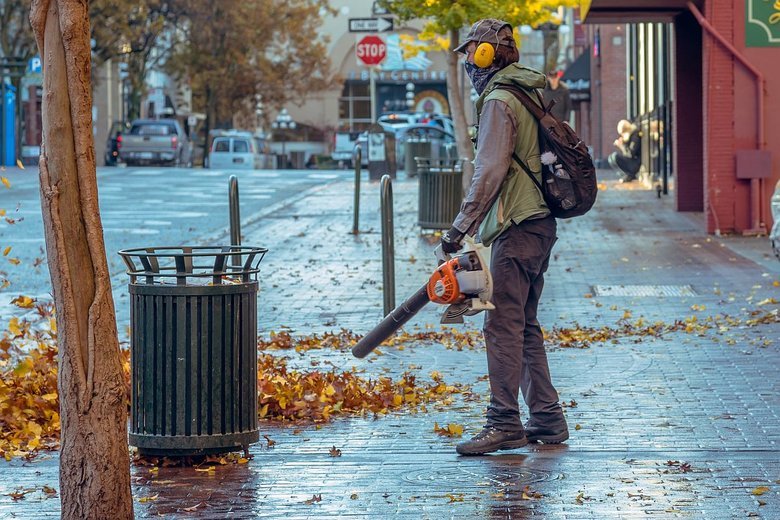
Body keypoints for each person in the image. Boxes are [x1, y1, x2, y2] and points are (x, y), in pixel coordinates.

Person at [441, 18, 569, 456]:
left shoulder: (499, 99)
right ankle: (548, 419)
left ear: (484, 54)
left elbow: (490, 169)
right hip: (539, 224)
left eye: (470, 55)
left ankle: (504, 422)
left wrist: (460, 226)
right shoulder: (525, 90)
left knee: (501, 325)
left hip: (518, 226)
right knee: (523, 323)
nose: (467, 67)